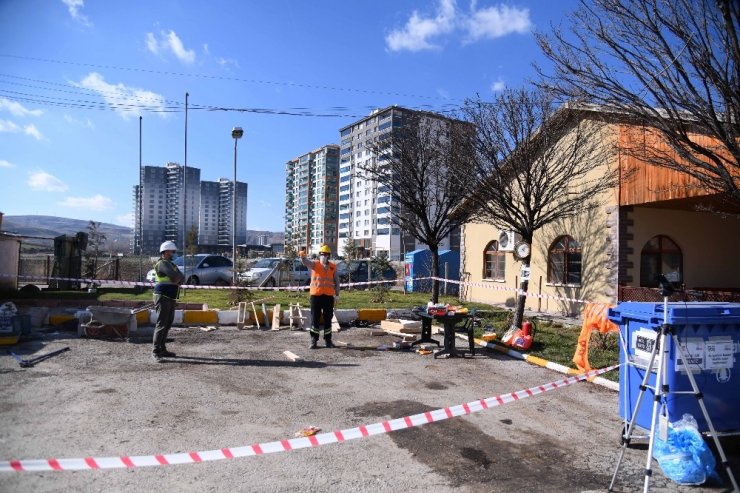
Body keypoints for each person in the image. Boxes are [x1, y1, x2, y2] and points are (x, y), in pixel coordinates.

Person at [299, 244, 340, 349]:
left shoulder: (333, 267)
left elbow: (336, 281)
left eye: (326, 255)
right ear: (319, 255)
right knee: (314, 318)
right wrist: (302, 255)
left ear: (329, 256)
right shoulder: (315, 265)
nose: (324, 256)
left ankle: (328, 340)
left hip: (328, 297)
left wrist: (337, 294)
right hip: (316, 296)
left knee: (328, 319)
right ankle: (314, 340)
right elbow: (305, 262)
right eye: (322, 254)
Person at [152, 241, 184, 362]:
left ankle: (162, 348)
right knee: (161, 324)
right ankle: (156, 351)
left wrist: (178, 278)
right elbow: (176, 277)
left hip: (170, 296)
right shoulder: (162, 264)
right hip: (162, 295)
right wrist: (177, 278)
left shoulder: (172, 264)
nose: (173, 253)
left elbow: (182, 277)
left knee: (168, 324)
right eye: (171, 251)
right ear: (165, 252)